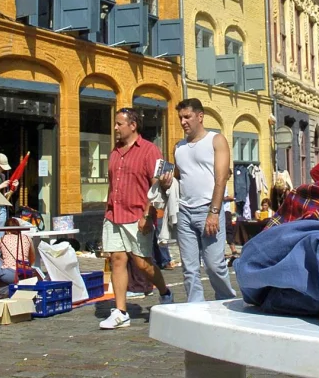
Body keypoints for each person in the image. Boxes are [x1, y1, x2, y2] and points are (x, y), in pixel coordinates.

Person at [99, 108, 173, 330]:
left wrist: (149, 215)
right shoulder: (115, 152)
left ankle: (165, 292)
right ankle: (121, 312)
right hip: (114, 214)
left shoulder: (150, 151)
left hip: (137, 215)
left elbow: (157, 186)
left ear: (133, 125)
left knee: (142, 264)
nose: (115, 128)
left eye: (119, 123)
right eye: (115, 123)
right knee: (117, 260)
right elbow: (114, 185)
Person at [164, 98, 236, 303]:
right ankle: (195, 308)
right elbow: (179, 176)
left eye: (187, 117)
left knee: (214, 265)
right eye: (180, 118)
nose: (183, 121)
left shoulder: (216, 140)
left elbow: (221, 179)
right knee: (189, 268)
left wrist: (214, 212)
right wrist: (165, 182)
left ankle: (226, 302)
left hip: (208, 209)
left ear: (200, 116)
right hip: (185, 210)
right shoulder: (179, 147)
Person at [0, 218, 35, 287]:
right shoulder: (28, 238)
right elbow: (32, 259)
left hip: (10, 276)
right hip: (25, 273)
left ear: (6, 229)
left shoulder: (2, 239)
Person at [223, 171, 239, 259]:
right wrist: (229, 198)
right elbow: (220, 197)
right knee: (227, 229)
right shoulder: (220, 183)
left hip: (227, 210)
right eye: (229, 175)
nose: (230, 177)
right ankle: (232, 250)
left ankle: (233, 250)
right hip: (223, 210)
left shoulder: (224, 184)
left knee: (229, 229)